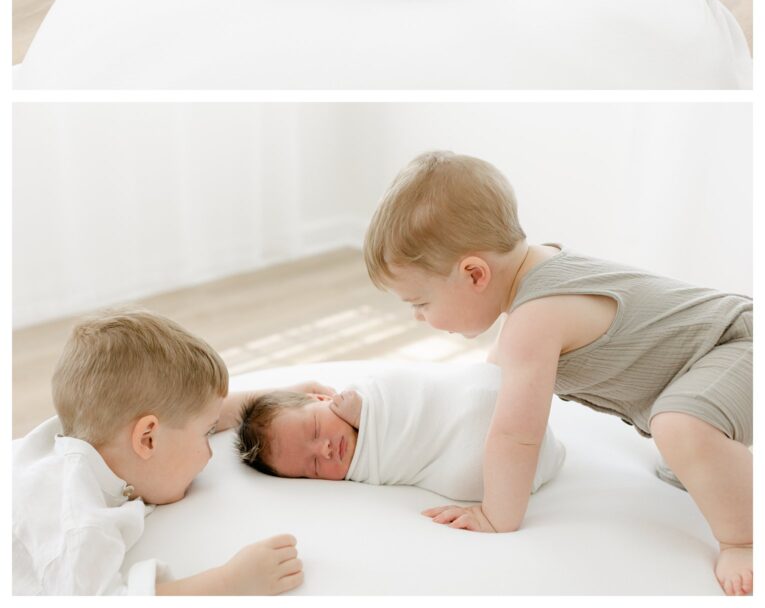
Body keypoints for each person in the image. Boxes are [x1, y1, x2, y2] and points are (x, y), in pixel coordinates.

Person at [362, 151, 753, 598]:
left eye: (420, 303)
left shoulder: (536, 318)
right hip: (720, 350)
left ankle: (744, 539)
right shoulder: (538, 275)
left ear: (474, 274)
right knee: (681, 429)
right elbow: (490, 392)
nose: (417, 318)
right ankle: (709, 461)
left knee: (681, 425)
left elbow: (516, 434)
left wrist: (496, 514)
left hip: (740, 346)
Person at [12, 309, 333, 595]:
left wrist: (275, 397)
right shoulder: (79, 525)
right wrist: (230, 583)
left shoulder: (95, 425)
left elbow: (202, 412)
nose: (210, 454)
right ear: (148, 440)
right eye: (206, 435)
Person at [235, 362, 564, 500]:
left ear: (320, 398)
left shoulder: (367, 393)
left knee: (479, 390)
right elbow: (386, 462)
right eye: (313, 468)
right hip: (487, 463)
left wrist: (367, 413)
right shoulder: (361, 471)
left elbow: (408, 390)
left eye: (316, 428)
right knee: (465, 473)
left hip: (478, 402)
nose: (324, 450)